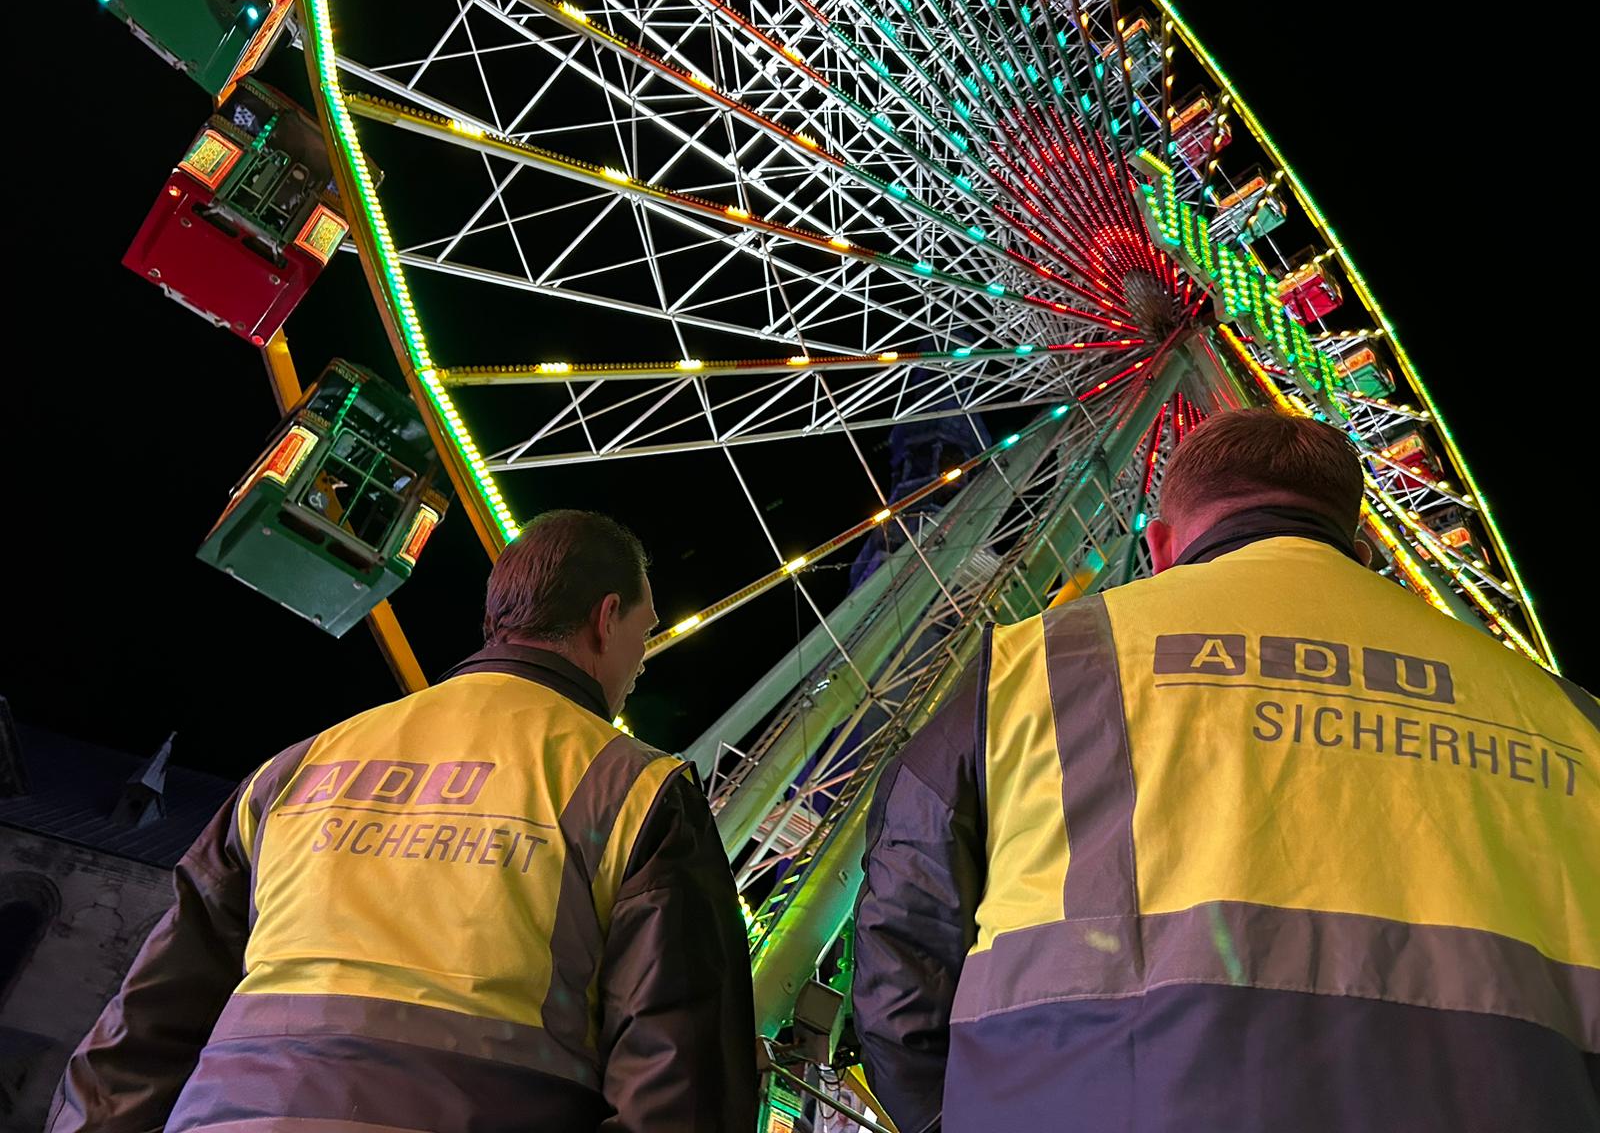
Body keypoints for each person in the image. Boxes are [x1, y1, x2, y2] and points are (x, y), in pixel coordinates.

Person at [852, 409, 1599, 1132]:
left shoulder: (1040, 662)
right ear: (1362, 545)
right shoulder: (1568, 714)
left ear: (1161, 544)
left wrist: (954, 1115)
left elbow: (907, 931)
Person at [50, 510, 757, 1133]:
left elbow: (143, 1024)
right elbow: (680, 1090)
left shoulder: (297, 767)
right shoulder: (635, 788)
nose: (640, 664)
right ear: (606, 618)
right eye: (644, 631)